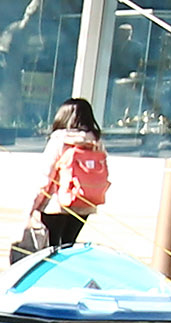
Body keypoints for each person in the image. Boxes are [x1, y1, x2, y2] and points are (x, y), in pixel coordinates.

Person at [28, 97, 111, 252]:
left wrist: (34, 206)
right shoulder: (96, 141)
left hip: (56, 204)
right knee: (69, 245)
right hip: (84, 202)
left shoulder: (59, 139)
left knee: (50, 248)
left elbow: (46, 175)